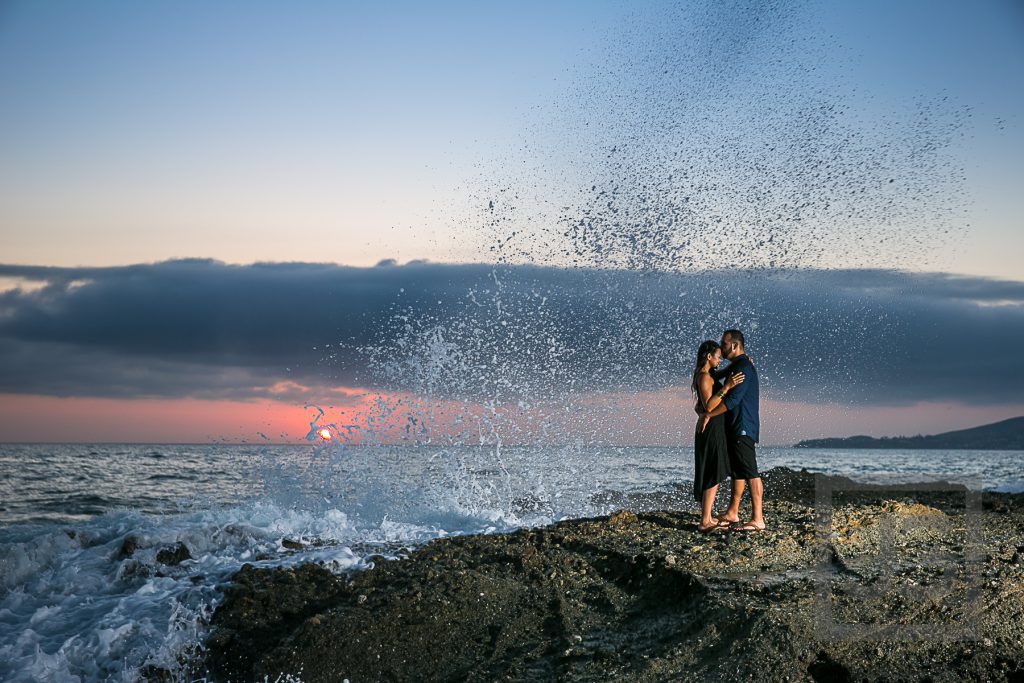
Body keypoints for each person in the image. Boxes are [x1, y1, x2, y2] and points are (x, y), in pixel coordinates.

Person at [709, 329, 764, 532]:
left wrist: (709, 414)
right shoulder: (738, 365)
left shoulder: (743, 367)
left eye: (724, 344)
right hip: (736, 426)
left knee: (751, 472)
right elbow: (714, 373)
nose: (721, 348)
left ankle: (758, 518)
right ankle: (733, 512)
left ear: (734, 345)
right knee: (738, 471)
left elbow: (732, 401)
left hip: (743, 425)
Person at [691, 340, 745, 533]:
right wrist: (727, 387)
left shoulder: (709, 374)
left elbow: (721, 373)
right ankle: (705, 520)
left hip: (715, 427)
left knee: (713, 470)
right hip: (712, 428)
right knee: (712, 471)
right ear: (708, 356)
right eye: (718, 357)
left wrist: (740, 361)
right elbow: (709, 406)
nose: (720, 361)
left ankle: (707, 516)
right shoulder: (705, 377)